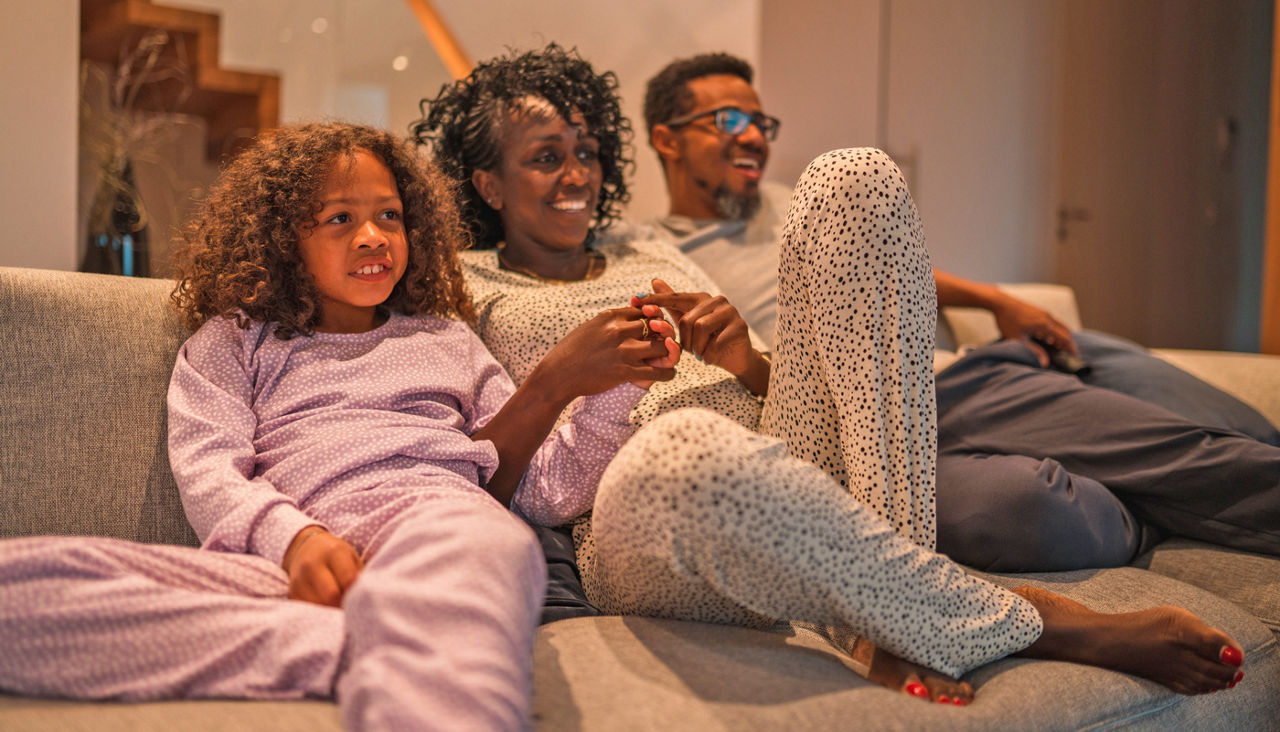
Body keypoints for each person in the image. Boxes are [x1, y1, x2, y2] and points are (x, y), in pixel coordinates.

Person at [412, 43, 1248, 704]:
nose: (578, 175)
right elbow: (466, 481)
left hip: (789, 446)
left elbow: (788, 386)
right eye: (545, 157)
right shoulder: (460, 284)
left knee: (855, 175)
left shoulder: (648, 247)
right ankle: (1030, 622)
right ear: (486, 181)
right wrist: (557, 379)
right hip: (645, 518)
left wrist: (742, 356)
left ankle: (893, 610)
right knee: (688, 447)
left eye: (587, 151)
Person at [0, 122, 682, 731]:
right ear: (282, 240)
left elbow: (547, 489)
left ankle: (416, 645)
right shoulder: (235, 341)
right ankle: (391, 635)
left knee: (489, 548)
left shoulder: (446, 339)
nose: (373, 236)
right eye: (338, 218)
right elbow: (208, 468)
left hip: (441, 524)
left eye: (390, 215)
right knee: (25, 583)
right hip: (305, 570)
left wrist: (619, 385)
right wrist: (294, 539)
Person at [641, 51, 1280, 572]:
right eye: (728, 120)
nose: (754, 136)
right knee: (1027, 507)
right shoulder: (652, 254)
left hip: (953, 376)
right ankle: (1154, 504)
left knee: (1206, 433)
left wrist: (999, 301)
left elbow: (898, 275)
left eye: (762, 122)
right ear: (666, 140)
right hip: (857, 417)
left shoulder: (793, 203)